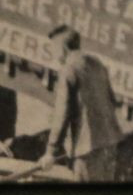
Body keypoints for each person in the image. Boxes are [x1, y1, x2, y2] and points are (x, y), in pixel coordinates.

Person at [43, 25, 122, 181]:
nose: (54, 54)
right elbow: (112, 100)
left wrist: (50, 152)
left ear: (63, 48)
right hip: (110, 145)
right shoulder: (97, 64)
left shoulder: (68, 69)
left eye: (54, 48)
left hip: (87, 149)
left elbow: (62, 113)